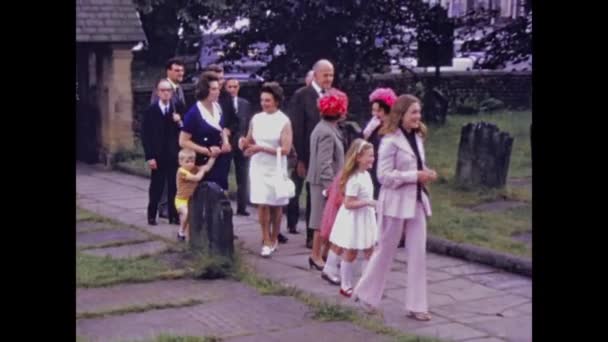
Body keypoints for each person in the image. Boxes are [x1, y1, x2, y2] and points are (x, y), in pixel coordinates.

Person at [353, 95, 438, 321]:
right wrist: (414, 176)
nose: (417, 117)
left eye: (419, 112)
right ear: (401, 115)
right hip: (394, 203)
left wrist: (426, 172)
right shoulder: (390, 140)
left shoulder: (418, 138)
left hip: (417, 200)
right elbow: (383, 176)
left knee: (418, 252)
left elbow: (416, 164)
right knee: (385, 250)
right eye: (413, 113)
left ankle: (417, 305)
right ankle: (366, 295)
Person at [239, 82, 293, 257]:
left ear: (276, 101)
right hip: (258, 166)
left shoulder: (284, 120)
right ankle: (266, 239)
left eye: (268, 100)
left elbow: (286, 149)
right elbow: (250, 140)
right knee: (262, 203)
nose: (264, 103)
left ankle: (274, 235)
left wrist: (260, 149)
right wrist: (244, 144)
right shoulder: (256, 118)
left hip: (276, 166)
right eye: (262, 100)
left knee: (276, 205)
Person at [289, 59, 335, 247]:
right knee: (312, 195)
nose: (329, 79)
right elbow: (298, 128)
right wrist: (300, 159)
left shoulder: (333, 95)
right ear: (315, 75)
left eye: (331, 75)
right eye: (326, 75)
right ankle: (311, 235)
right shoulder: (302, 96)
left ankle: (325, 232)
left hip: (330, 153)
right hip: (309, 154)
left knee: (326, 194)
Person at [329, 139, 378, 297]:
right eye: (369, 156)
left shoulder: (366, 175)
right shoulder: (354, 179)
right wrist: (368, 202)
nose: (372, 159)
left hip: (366, 218)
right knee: (351, 252)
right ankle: (345, 285)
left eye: (373, 156)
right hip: (354, 219)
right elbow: (348, 203)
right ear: (358, 158)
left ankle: (366, 285)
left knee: (369, 250)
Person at [306, 89, 347, 271]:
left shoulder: (325, 128)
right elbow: (324, 163)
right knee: (320, 220)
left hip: (324, 182)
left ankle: (322, 254)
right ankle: (316, 256)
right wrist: (330, 187)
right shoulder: (326, 133)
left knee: (324, 219)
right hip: (323, 183)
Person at [179, 72, 232, 190]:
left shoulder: (217, 107)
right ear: (204, 90)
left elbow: (221, 128)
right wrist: (206, 150)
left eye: (218, 88)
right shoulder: (193, 114)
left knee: (220, 194)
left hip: (220, 159)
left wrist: (226, 142)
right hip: (202, 162)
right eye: (213, 89)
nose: (217, 91)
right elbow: (183, 141)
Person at [150, 58, 187, 219]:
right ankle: (163, 207)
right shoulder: (161, 89)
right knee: (163, 177)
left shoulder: (179, 89)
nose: (181, 73)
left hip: (177, 140)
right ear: (168, 71)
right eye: (177, 70)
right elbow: (156, 115)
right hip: (164, 143)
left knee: (173, 176)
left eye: (182, 70)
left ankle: (172, 207)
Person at [142, 79, 183, 225]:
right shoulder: (151, 111)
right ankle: (152, 215)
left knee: (174, 186)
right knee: (156, 186)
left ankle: (174, 215)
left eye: (168, 91)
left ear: (172, 93)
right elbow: (145, 135)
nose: (166, 93)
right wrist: (150, 156)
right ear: (158, 92)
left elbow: (185, 130)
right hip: (158, 155)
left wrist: (179, 121)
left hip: (173, 154)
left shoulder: (177, 107)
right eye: (163, 90)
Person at [225, 78, 253, 216]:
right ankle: (224, 206)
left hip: (241, 144)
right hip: (227, 144)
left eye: (235, 86)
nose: (232, 89)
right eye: (229, 86)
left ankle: (242, 207)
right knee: (224, 175)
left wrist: (247, 141)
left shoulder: (245, 104)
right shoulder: (221, 103)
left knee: (243, 176)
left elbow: (248, 124)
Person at [174, 149, 216, 241]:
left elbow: (207, 167)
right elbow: (196, 178)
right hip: (181, 200)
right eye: (187, 161)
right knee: (187, 214)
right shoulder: (181, 171)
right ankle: (181, 231)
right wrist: (202, 171)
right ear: (180, 162)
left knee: (189, 218)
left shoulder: (194, 168)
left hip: (192, 199)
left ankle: (190, 237)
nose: (190, 164)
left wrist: (213, 157)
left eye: (192, 161)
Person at [363, 88, 397, 199]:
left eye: (378, 111)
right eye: (373, 110)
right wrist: (366, 134)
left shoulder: (395, 128)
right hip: (373, 169)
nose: (374, 114)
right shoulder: (373, 124)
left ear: (387, 110)